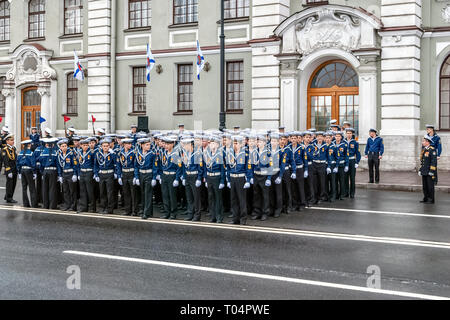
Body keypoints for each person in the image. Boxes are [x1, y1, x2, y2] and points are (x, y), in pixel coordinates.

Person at [226, 135, 252, 225]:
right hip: (233, 177)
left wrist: (248, 180)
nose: (235, 145)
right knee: (233, 199)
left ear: (241, 144)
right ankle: (235, 218)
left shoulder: (245, 154)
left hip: (241, 178)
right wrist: (228, 180)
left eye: (237, 143)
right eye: (234, 143)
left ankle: (243, 218)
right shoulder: (230, 153)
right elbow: (229, 168)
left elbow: (248, 168)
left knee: (241, 199)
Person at [159, 136, 182, 219]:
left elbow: (179, 167)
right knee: (165, 195)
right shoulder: (163, 153)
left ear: (173, 144)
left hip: (172, 176)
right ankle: (166, 212)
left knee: (172, 195)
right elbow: (161, 165)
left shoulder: (175, 154)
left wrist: (176, 178)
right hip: (164, 175)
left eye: (168, 144)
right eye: (165, 144)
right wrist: (161, 176)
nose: (166, 146)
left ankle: (173, 212)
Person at [180, 137, 203, 221]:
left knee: (196, 197)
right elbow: (183, 166)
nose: (184, 147)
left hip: (194, 176)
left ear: (190, 145)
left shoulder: (197, 153)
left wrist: (199, 178)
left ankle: (197, 214)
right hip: (187, 176)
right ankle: (190, 213)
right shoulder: (185, 153)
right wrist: (183, 176)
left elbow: (200, 167)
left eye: (186, 145)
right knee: (189, 197)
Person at [94, 138, 119, 215]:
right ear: (101, 146)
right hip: (102, 174)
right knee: (102, 192)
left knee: (110, 192)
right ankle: (103, 207)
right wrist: (96, 174)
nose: (105, 147)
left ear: (109, 146)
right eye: (104, 146)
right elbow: (96, 165)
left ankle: (110, 208)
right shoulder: (98, 154)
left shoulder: (112, 154)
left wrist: (115, 173)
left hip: (109, 174)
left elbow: (116, 164)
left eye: (107, 146)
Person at [135, 137, 158, 219]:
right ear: (142, 145)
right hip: (141, 175)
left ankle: (146, 212)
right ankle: (146, 210)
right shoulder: (138, 154)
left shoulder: (152, 154)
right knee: (143, 193)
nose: (148, 146)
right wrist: (137, 177)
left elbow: (154, 167)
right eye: (146, 145)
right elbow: (136, 166)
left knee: (148, 194)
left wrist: (154, 178)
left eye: (149, 145)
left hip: (148, 174)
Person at [203, 136, 225, 223]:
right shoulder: (207, 154)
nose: (211, 145)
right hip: (209, 177)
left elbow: (222, 169)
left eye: (213, 143)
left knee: (218, 198)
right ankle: (213, 216)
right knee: (211, 197)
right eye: (210, 143)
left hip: (217, 177)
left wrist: (222, 181)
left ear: (217, 144)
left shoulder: (220, 155)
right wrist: (205, 178)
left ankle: (219, 216)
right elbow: (205, 167)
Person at [57, 139, 79, 211]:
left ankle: (73, 206)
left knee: (72, 191)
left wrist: (75, 174)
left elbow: (75, 165)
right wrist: (60, 175)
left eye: (65, 146)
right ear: (60, 147)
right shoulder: (59, 155)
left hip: (71, 173)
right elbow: (59, 166)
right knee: (65, 191)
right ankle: (67, 205)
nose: (64, 147)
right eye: (62, 146)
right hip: (64, 174)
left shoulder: (71, 154)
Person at [39, 138, 59, 209]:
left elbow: (40, 163)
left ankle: (45, 205)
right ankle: (52, 206)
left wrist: (42, 172)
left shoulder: (43, 152)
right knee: (52, 189)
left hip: (45, 171)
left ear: (47, 144)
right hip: (53, 171)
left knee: (45, 189)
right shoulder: (56, 152)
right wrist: (59, 174)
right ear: (53, 144)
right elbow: (57, 164)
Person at [17, 140, 38, 208]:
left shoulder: (20, 153)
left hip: (22, 170)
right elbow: (33, 164)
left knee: (24, 188)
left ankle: (25, 203)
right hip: (29, 170)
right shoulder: (31, 153)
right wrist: (34, 172)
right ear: (29, 145)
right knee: (32, 188)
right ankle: (34, 204)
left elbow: (18, 163)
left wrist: (19, 172)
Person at [77, 139, 96, 213]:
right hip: (82, 173)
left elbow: (94, 164)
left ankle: (92, 208)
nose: (85, 146)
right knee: (82, 191)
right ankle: (83, 207)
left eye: (86, 145)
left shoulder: (91, 153)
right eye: (83, 145)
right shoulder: (79, 153)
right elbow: (78, 164)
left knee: (90, 191)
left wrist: (94, 173)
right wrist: (78, 173)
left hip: (89, 172)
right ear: (81, 146)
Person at [419, 135, 437, 204]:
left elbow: (433, 161)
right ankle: (426, 198)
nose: (422, 142)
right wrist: (420, 170)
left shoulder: (432, 150)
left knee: (430, 186)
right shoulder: (424, 150)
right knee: (425, 186)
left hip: (429, 171)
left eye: (423, 141)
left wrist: (432, 171)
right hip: (424, 171)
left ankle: (431, 199)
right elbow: (423, 161)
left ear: (427, 142)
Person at [345, 128, 361, 198]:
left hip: (352, 161)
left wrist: (357, 162)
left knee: (352, 178)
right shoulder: (343, 142)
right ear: (346, 134)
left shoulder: (355, 142)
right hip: (345, 161)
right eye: (347, 133)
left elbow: (358, 153)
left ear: (352, 134)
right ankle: (346, 192)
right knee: (345, 178)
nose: (349, 134)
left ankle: (352, 193)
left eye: (350, 133)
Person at [2, 134, 18, 203]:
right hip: (9, 169)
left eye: (13, 140)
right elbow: (5, 161)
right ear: (7, 141)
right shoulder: (4, 150)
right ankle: (9, 198)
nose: (13, 141)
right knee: (9, 184)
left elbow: (15, 159)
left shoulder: (13, 148)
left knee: (14, 183)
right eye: (11, 140)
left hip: (14, 169)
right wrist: (8, 171)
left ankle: (7, 196)